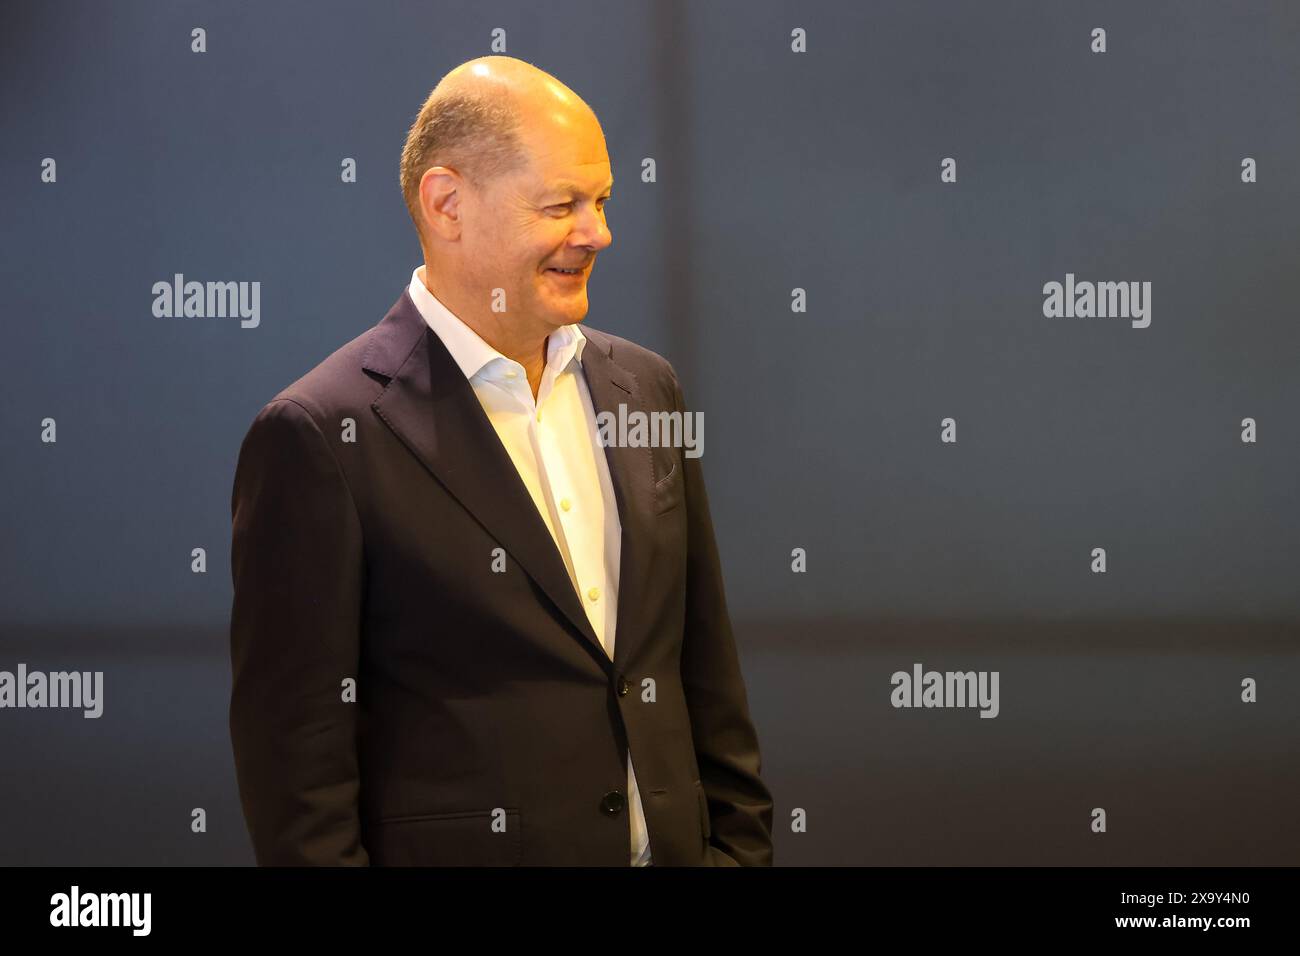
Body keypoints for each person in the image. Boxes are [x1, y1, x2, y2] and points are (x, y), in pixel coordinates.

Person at [228, 55, 773, 866]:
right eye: (562, 205)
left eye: (602, 201)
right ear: (447, 204)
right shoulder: (320, 434)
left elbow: (704, 672)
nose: (597, 232)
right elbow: (298, 776)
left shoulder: (646, 390)